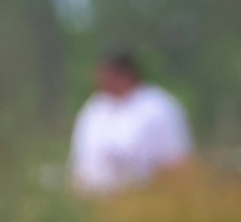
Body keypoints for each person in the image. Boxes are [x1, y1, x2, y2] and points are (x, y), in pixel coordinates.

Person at [69, 50, 193, 194]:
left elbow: (178, 161)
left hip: (142, 197)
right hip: (91, 198)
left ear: (124, 74)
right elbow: (78, 163)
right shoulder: (94, 109)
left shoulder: (158, 107)